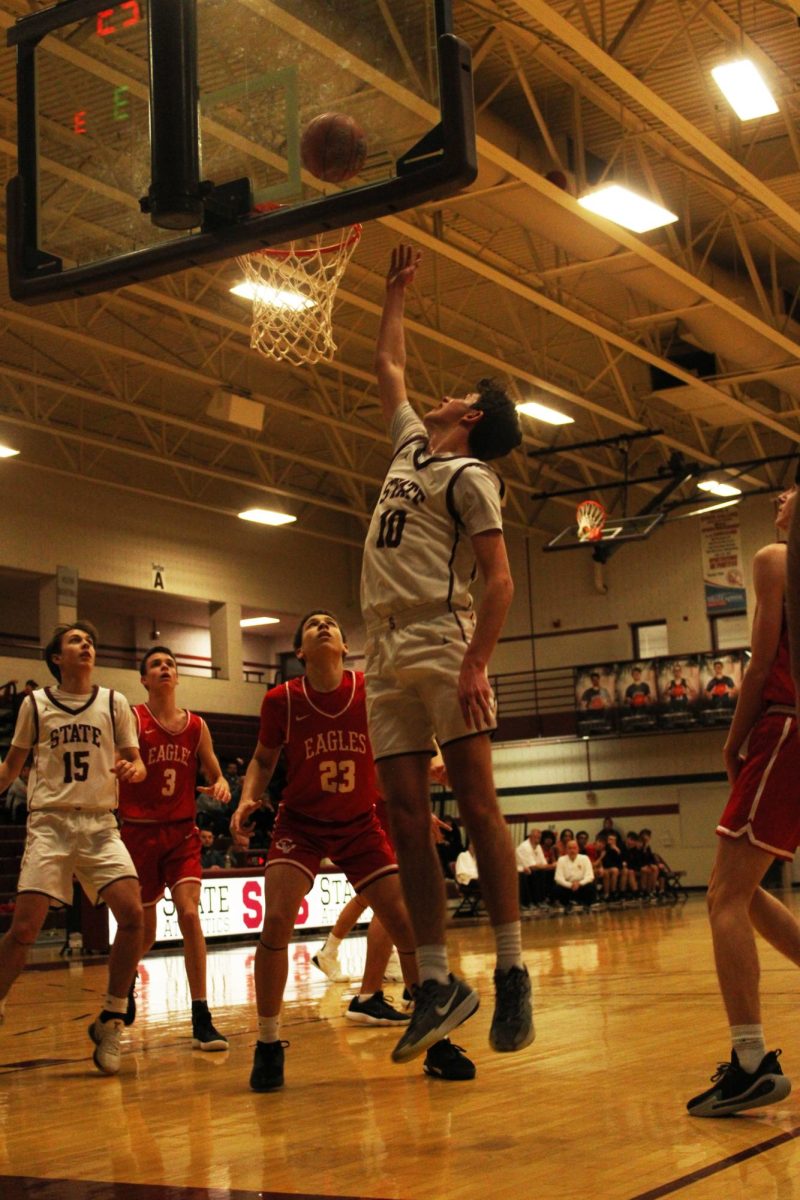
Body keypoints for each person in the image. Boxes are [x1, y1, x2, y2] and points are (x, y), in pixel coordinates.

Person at [361, 242, 531, 1066]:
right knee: (403, 815)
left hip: (440, 634)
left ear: (469, 419)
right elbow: (389, 365)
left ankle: (510, 966)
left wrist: (475, 664)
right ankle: (436, 980)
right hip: (384, 647)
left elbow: (499, 581)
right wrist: (393, 295)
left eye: (461, 394)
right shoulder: (407, 448)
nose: (445, 391)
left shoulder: (470, 475)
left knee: (475, 802)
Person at [233, 610, 475, 1092]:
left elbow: (405, 743)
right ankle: (266, 1043)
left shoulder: (371, 689)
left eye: (332, 623)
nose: (324, 626)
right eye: (312, 625)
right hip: (299, 824)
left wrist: (432, 769)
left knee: (405, 920)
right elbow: (263, 758)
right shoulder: (282, 699)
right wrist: (246, 798)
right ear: (299, 650)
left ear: (346, 646)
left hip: (359, 822)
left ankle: (436, 1040)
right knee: (277, 918)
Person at [687, 484, 799, 1117]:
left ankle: (750, 1061)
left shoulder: (775, 558)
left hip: (783, 727)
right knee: (743, 889)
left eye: (792, 489)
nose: (780, 496)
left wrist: (734, 743)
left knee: (724, 896)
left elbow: (759, 664)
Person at [0, 621, 145, 1075]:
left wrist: (134, 770)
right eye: (75, 641)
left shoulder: (114, 702)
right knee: (25, 929)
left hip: (101, 824)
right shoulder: (36, 705)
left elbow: (135, 760)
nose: (86, 646)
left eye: (90, 642)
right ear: (56, 657)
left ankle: (111, 1018)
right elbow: (11, 769)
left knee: (134, 916)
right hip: (51, 824)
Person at [118, 645, 231, 1052]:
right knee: (144, 933)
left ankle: (201, 1015)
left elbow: (216, 772)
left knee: (188, 914)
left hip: (181, 833)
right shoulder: (132, 718)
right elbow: (120, 762)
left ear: (177, 676)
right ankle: (126, 974)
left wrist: (221, 784)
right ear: (144, 679)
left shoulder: (197, 726)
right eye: (155, 665)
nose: (164, 668)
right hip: (140, 833)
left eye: (170, 664)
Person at [554, 839, 597, 912]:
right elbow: (558, 878)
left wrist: (579, 883)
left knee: (591, 886)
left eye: (574, 848)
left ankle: (586, 904)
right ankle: (566, 905)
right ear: (566, 850)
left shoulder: (585, 858)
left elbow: (590, 876)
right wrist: (570, 885)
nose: (572, 850)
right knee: (557, 887)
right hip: (568, 887)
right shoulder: (561, 859)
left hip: (581, 886)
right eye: (570, 848)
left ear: (578, 849)